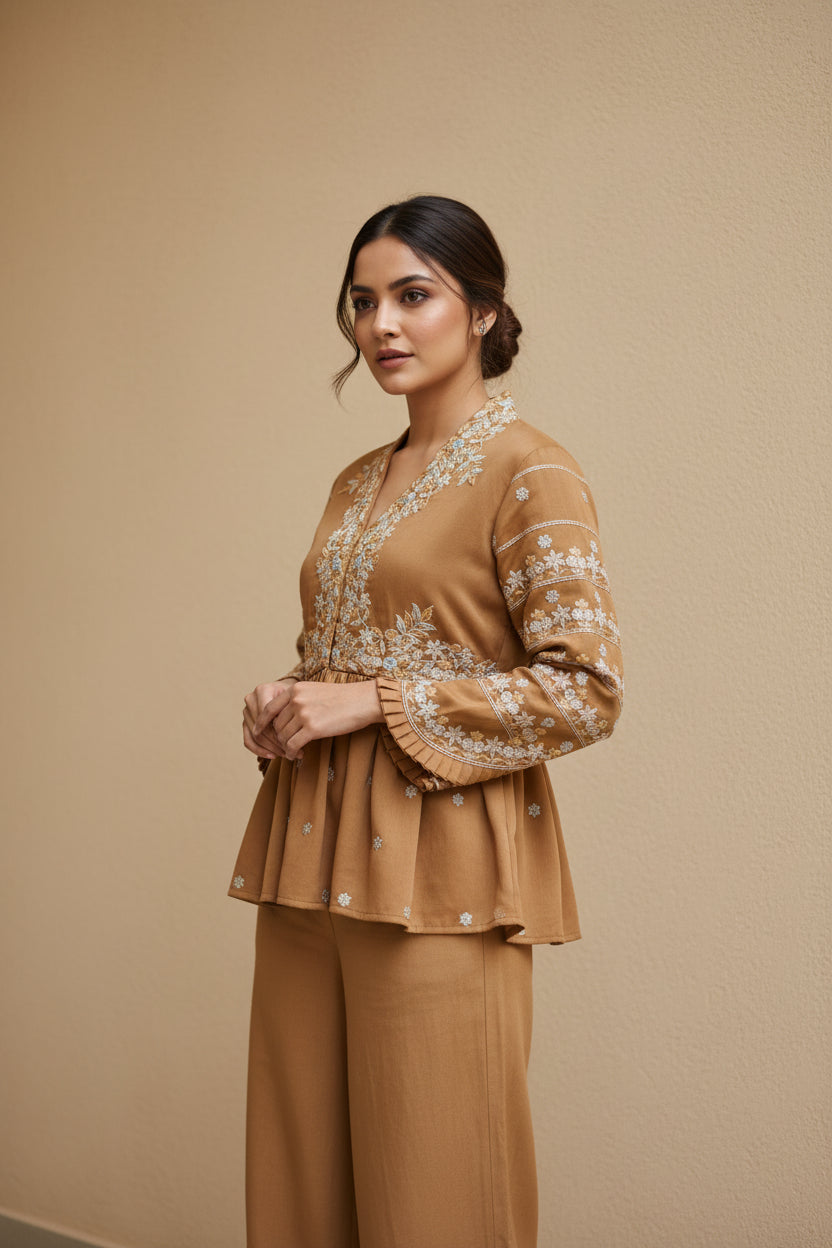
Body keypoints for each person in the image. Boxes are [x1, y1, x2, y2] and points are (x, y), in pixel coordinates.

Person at [233, 194, 624, 1248]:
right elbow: (362, 650)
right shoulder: (357, 480)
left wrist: (373, 701)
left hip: (442, 873)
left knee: (435, 1188)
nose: (381, 326)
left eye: (414, 295)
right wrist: (289, 698)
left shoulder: (528, 468)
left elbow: (584, 690)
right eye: (363, 302)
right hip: (307, 856)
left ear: (485, 312)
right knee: (300, 1179)